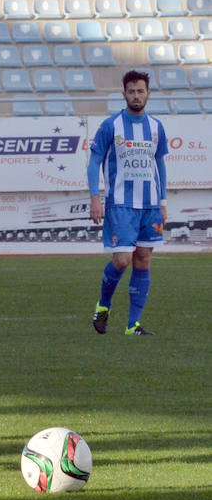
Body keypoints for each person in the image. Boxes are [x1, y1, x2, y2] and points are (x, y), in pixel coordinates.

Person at [89, 70, 168, 336]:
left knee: (143, 260)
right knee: (123, 260)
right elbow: (94, 161)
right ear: (124, 94)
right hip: (121, 205)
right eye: (131, 91)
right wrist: (94, 196)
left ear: (148, 93)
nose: (136, 95)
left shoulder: (156, 127)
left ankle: (132, 325)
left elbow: (159, 163)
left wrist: (163, 200)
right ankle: (103, 306)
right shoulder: (111, 125)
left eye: (141, 90)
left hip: (150, 205)